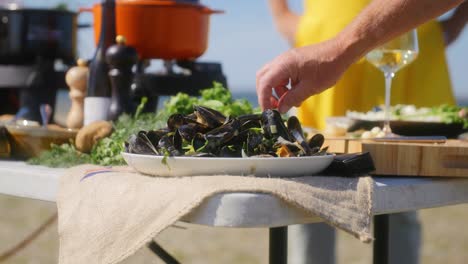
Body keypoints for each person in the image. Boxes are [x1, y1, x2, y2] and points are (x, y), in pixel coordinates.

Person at [259, 0, 467, 263]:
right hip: (325, 33)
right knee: (310, 184)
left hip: (410, 34)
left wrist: (455, 25)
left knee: (401, 186)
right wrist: (282, 16)